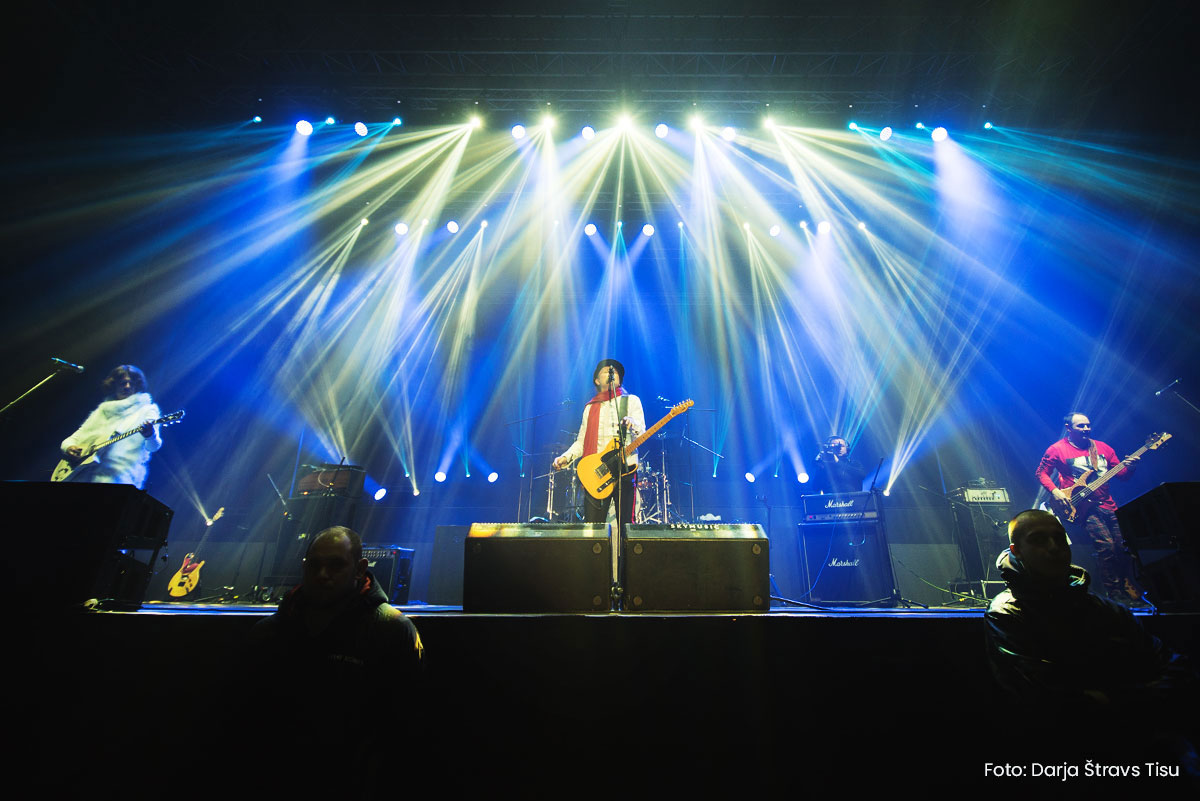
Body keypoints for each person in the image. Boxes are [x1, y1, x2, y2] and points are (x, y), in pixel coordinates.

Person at [985, 509, 1198, 772]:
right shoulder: (1007, 613)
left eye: (1059, 538)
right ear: (1015, 551)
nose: (1054, 547)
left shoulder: (1105, 608)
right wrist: (1143, 696)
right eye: (1038, 540)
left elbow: (1172, 665)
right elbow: (1046, 701)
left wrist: (1111, 699)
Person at [1036, 412, 1140, 603]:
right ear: (1069, 428)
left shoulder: (1103, 448)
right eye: (1081, 426)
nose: (1086, 429)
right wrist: (1055, 491)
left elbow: (1123, 475)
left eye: (1088, 425)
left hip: (1108, 504)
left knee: (1123, 546)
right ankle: (1114, 592)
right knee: (1106, 546)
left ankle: (1127, 583)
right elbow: (1041, 473)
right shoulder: (1057, 449)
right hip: (1083, 507)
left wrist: (1131, 467)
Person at [552, 358, 646, 525]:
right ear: (596, 380)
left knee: (626, 525)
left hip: (624, 470)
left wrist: (633, 424)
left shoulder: (631, 401)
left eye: (615, 372)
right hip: (597, 473)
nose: (611, 373)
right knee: (594, 528)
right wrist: (565, 457)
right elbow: (581, 441)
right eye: (606, 371)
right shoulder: (590, 408)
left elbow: (641, 434)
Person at [58, 365, 161, 488]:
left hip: (117, 481)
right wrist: (69, 447)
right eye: (123, 383)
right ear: (114, 385)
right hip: (81, 478)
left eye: (132, 383)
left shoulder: (147, 410)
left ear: (137, 386)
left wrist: (150, 435)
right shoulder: (103, 410)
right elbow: (73, 439)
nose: (127, 386)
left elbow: (154, 446)